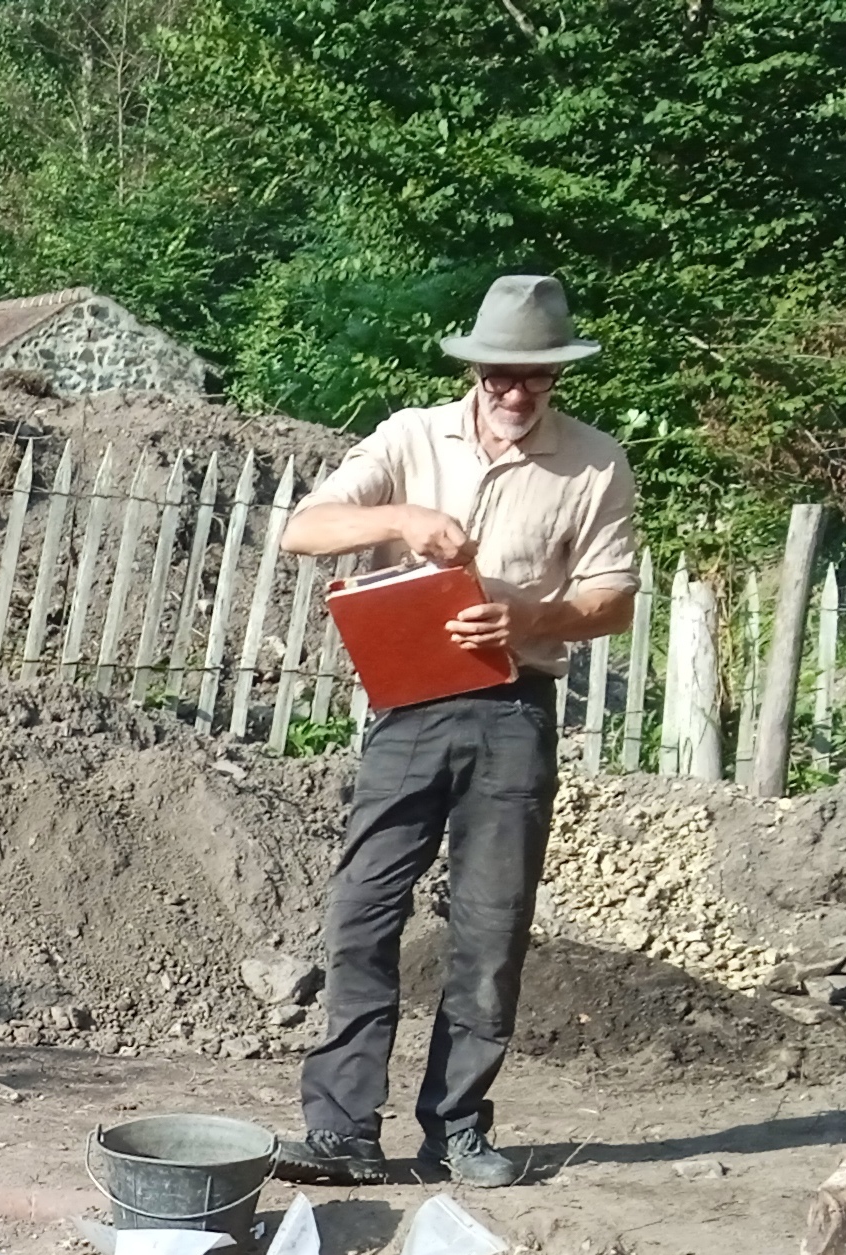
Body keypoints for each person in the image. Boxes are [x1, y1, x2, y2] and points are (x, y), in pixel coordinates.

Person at [275, 273, 641, 1193]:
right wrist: (400, 518)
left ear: (557, 375)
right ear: (474, 371)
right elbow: (303, 531)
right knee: (362, 911)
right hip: (408, 706)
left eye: (534, 378)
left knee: (490, 926)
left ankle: (458, 1130)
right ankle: (343, 1130)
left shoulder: (595, 463)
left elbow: (613, 601)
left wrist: (524, 615)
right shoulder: (408, 437)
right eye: (499, 376)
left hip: (515, 709)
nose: (515, 394)